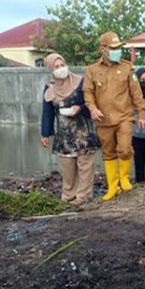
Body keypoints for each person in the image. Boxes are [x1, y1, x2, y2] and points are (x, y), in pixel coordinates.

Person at [83, 32, 145, 201]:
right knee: (108, 152)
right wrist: (93, 108)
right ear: (103, 49)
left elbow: (136, 93)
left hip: (124, 116)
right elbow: (87, 92)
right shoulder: (92, 70)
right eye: (113, 48)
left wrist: (141, 114)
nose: (117, 50)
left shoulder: (127, 68)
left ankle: (124, 177)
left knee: (125, 148)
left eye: (118, 47)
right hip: (103, 119)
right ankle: (112, 186)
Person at [40, 53, 101, 205]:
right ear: (50, 70)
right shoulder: (50, 89)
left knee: (85, 166)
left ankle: (83, 196)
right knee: (67, 168)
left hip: (83, 133)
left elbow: (92, 103)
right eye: (56, 67)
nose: (61, 69)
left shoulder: (80, 82)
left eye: (62, 65)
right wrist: (45, 133)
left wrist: (79, 108)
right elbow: (47, 112)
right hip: (64, 137)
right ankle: (68, 196)